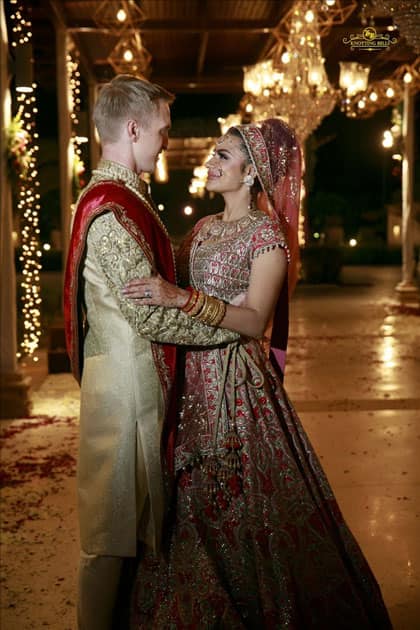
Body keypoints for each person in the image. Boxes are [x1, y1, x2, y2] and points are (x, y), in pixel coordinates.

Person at [123, 118, 393, 629]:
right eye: (214, 154)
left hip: (235, 387)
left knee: (241, 506)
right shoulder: (202, 228)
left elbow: (253, 321)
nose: (211, 162)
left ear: (250, 174)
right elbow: (165, 283)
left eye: (222, 156)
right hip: (187, 382)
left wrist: (183, 298)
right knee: (187, 504)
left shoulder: (267, 237)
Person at [63, 74, 239, 630]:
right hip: (125, 390)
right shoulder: (113, 211)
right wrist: (234, 324)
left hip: (134, 379)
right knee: (111, 534)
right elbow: (152, 314)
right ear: (134, 128)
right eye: (162, 130)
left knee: (132, 528)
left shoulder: (126, 196)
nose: (166, 140)